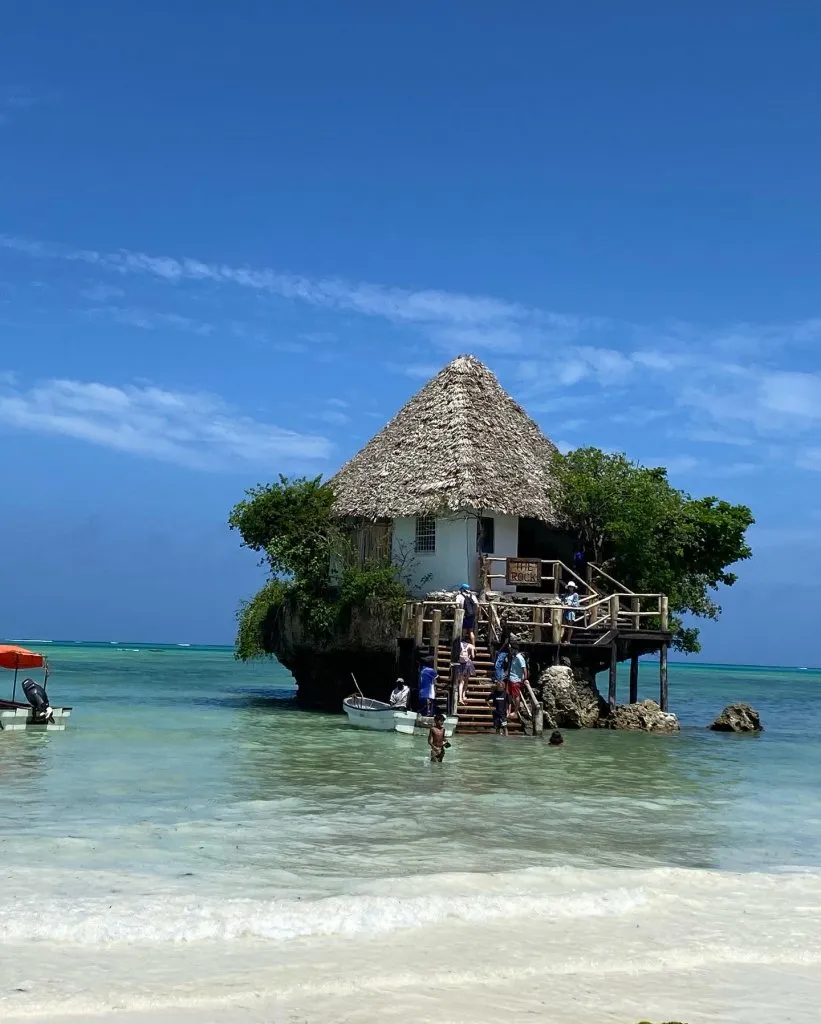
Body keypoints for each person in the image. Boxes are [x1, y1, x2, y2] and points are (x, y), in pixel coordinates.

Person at [506, 642, 528, 716]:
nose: (510, 651)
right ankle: (509, 710)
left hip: (516, 680)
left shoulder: (520, 658)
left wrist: (525, 679)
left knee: (516, 695)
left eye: (511, 649)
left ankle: (515, 711)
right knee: (509, 694)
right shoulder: (513, 657)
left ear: (515, 650)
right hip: (510, 678)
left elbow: (524, 669)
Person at [456, 637, 475, 706]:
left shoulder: (459, 644)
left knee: (461, 682)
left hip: (460, 664)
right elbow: (473, 656)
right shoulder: (471, 646)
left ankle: (460, 698)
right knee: (466, 681)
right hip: (468, 664)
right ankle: (463, 695)